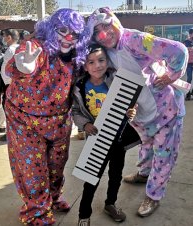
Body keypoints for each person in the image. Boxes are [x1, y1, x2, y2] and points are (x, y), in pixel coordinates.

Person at [87, 7, 188, 218]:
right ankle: (143, 174)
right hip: (141, 111)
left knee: (163, 152)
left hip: (165, 108)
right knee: (147, 144)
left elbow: (178, 50)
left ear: (115, 22)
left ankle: (154, 195)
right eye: (98, 31)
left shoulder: (135, 39)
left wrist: (172, 74)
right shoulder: (103, 51)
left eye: (106, 26)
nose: (104, 34)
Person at [4, 9, 89, 225]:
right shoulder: (37, 47)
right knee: (33, 168)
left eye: (75, 34)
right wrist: (25, 66)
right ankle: (37, 211)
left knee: (57, 165)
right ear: (51, 30)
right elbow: (19, 66)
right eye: (62, 30)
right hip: (25, 120)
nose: (69, 37)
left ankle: (51, 198)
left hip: (60, 119)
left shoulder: (77, 56)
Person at [73, 43, 140, 225]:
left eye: (101, 60)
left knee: (116, 175)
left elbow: (129, 106)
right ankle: (84, 215)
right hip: (96, 139)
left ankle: (110, 203)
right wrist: (85, 124)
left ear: (107, 61)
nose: (98, 66)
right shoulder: (79, 86)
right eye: (91, 62)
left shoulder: (117, 81)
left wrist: (130, 113)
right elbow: (76, 111)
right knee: (91, 178)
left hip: (118, 138)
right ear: (84, 65)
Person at [0, 28, 20, 141]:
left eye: (4, 36)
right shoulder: (17, 48)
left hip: (11, 85)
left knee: (10, 110)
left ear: (9, 37)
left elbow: (12, 68)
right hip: (12, 84)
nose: (3, 38)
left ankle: (11, 134)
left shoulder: (11, 50)